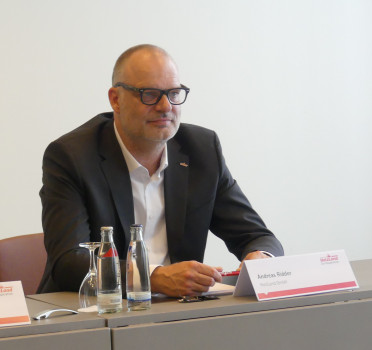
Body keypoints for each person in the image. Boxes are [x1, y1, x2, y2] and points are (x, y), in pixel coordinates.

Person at [37, 44, 283, 297]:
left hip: (177, 313)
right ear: (115, 99)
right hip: (95, 312)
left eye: (174, 93)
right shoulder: (72, 156)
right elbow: (69, 263)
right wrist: (152, 277)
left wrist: (260, 257)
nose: (166, 106)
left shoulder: (202, 150)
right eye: (150, 94)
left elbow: (256, 235)